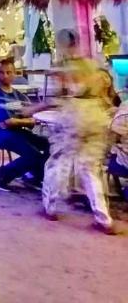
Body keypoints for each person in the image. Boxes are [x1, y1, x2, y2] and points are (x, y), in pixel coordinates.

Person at [40, 30, 116, 234]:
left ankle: (50, 205)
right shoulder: (93, 65)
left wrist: (32, 109)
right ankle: (103, 217)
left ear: (62, 43)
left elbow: (56, 98)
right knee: (91, 169)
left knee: (59, 161)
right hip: (97, 115)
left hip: (75, 115)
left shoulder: (64, 67)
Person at [0, 58, 49, 192]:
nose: (5, 76)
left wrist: (29, 119)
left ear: (15, 74)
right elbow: (8, 122)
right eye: (1, 72)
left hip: (18, 132)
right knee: (33, 154)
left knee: (50, 145)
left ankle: (33, 176)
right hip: (0, 133)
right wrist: (29, 121)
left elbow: (30, 115)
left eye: (9, 72)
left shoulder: (18, 95)